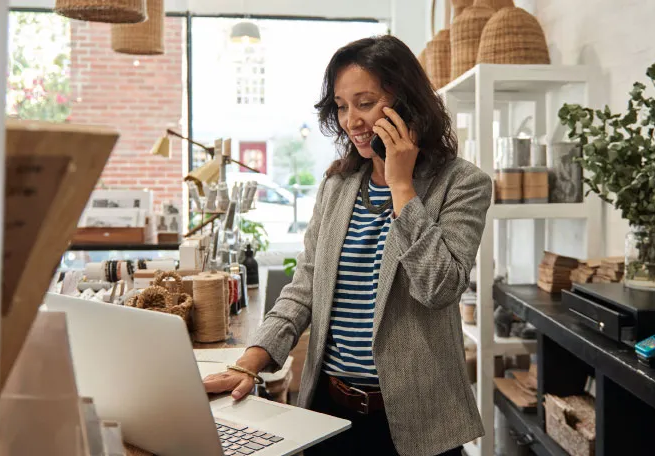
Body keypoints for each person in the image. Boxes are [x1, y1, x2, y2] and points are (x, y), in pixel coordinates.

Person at [203, 35, 491, 456]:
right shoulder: (338, 186)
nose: (351, 120)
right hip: (329, 414)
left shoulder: (462, 184)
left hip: (417, 423)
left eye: (365, 102)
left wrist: (401, 186)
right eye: (341, 105)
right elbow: (305, 288)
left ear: (405, 104)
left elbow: (439, 288)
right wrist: (250, 361)